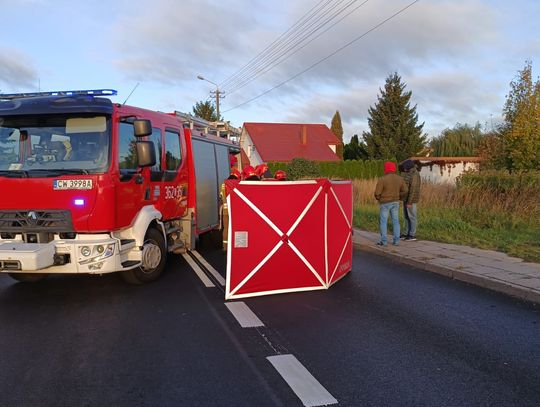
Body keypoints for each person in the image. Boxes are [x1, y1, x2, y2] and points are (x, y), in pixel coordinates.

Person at [374, 161, 408, 246]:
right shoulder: (400, 178)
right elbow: (406, 190)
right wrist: (399, 196)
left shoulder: (382, 179)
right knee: (395, 221)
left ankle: (384, 241)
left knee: (383, 222)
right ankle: (396, 241)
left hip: (385, 203)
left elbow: (377, 193)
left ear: (386, 168)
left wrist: (379, 198)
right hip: (395, 202)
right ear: (394, 168)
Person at [401, 159, 421, 241]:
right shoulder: (409, 173)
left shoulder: (415, 175)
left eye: (404, 167)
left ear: (408, 167)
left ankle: (412, 235)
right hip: (406, 198)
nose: (403, 168)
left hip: (411, 200)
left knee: (412, 217)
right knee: (406, 217)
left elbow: (413, 189)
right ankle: (406, 233)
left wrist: (409, 202)